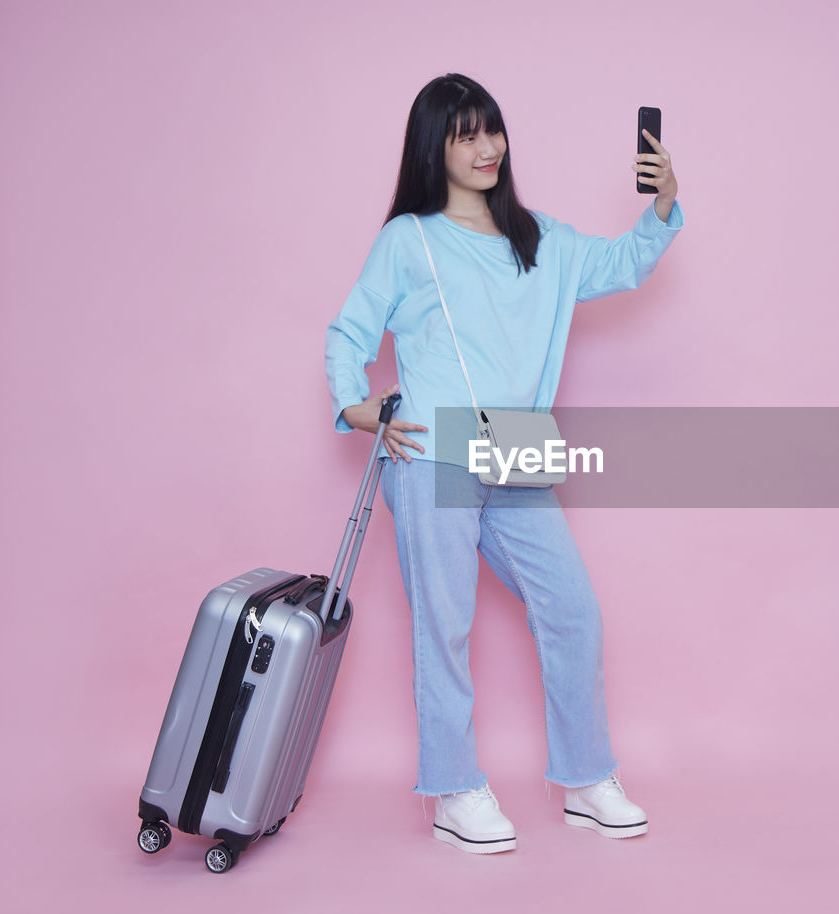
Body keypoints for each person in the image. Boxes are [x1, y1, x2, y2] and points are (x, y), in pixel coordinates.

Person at [324, 74, 683, 854]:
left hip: (516, 447)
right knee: (444, 629)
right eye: (464, 134)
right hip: (434, 454)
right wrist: (356, 404)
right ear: (435, 147)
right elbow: (349, 332)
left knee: (573, 610)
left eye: (492, 130)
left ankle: (587, 778)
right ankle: (453, 791)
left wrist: (659, 209)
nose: (487, 148)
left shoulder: (540, 238)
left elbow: (621, 264)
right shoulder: (409, 240)